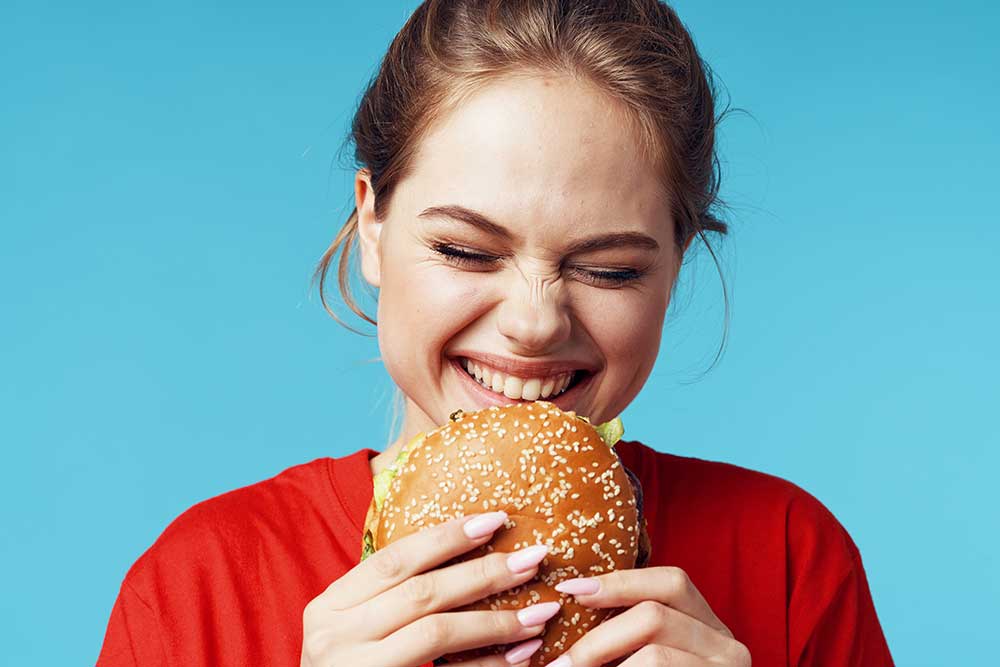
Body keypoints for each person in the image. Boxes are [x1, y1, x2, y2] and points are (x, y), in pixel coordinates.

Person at [97, 1, 894, 665]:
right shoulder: (200, 587)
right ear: (372, 224)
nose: (534, 322)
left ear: (674, 265)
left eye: (610, 268)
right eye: (465, 251)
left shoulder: (789, 560)